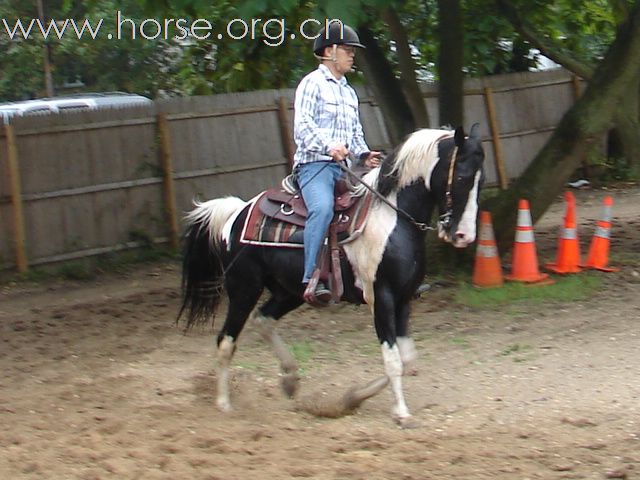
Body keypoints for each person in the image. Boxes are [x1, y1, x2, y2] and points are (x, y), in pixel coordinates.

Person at [293, 20, 381, 303]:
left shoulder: (348, 92)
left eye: (352, 51)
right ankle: (311, 278)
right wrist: (328, 146)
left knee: (379, 203)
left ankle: (382, 274)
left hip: (345, 168)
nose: (352, 55)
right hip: (314, 166)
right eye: (347, 50)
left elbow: (355, 135)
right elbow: (302, 128)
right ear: (329, 51)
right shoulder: (311, 84)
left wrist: (365, 154)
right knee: (322, 208)